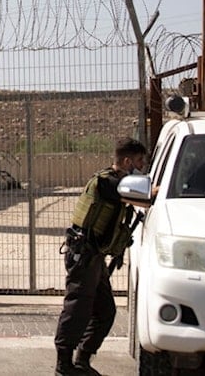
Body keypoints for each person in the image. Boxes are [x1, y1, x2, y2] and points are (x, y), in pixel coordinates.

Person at [54, 137, 148, 375]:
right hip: (84, 255)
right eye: (138, 161)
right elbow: (146, 196)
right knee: (77, 308)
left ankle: (82, 360)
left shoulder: (118, 183)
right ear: (127, 161)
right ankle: (64, 366)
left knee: (105, 311)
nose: (141, 167)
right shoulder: (108, 182)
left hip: (95, 257)